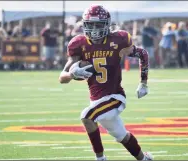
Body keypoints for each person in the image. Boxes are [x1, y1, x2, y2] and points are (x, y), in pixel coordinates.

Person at [59, 4, 152, 161]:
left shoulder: (119, 39)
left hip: (115, 97)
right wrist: (72, 74)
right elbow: (62, 77)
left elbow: (142, 53)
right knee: (123, 136)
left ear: (107, 24)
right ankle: (144, 159)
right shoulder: (79, 44)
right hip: (97, 100)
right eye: (91, 24)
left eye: (98, 24)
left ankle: (100, 158)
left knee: (86, 116)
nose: (94, 29)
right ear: (84, 24)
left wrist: (143, 82)